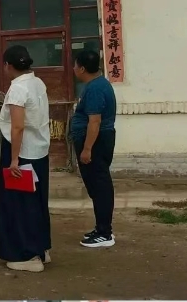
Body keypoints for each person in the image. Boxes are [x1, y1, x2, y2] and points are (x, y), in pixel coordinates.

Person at [0, 45, 51, 273]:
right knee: (37, 203)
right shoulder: (37, 83)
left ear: (8, 65)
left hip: (21, 153)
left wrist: (14, 160)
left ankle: (27, 255)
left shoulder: (18, 88)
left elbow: (17, 127)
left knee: (18, 206)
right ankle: (41, 249)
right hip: (39, 151)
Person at [71, 49, 117, 248]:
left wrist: (87, 148)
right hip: (97, 139)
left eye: (75, 65)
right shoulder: (97, 84)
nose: (73, 69)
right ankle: (101, 229)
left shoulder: (96, 88)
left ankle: (104, 233)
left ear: (82, 68)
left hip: (96, 141)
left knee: (100, 186)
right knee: (98, 186)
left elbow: (94, 121)